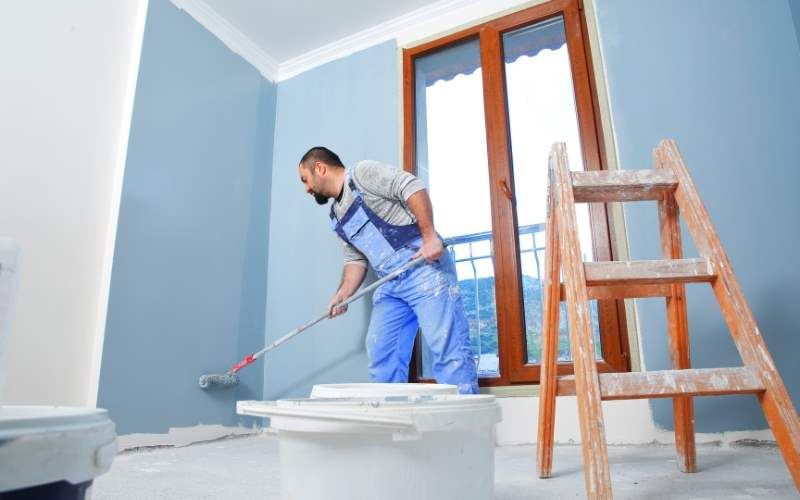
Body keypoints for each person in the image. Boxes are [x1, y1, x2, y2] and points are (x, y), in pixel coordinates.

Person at [297, 146, 479, 394]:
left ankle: (464, 416)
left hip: (423, 268)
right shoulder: (335, 216)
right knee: (381, 351)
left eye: (305, 179)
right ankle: (394, 414)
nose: (306, 189)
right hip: (390, 283)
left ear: (319, 168)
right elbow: (355, 259)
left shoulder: (361, 174)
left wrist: (429, 237)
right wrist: (343, 294)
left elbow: (411, 186)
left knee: (448, 348)